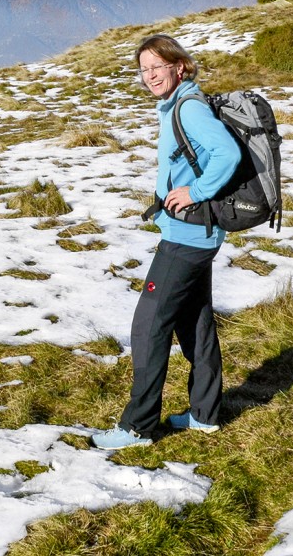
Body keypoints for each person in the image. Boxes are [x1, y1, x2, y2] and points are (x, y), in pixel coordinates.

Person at [91, 33, 241, 450]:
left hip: (188, 235)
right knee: (195, 323)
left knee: (149, 325)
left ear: (179, 66)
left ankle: (138, 427)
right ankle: (205, 415)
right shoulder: (180, 104)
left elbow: (227, 154)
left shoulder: (189, 109)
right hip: (196, 233)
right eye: (144, 69)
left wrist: (196, 192)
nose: (150, 75)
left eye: (157, 66)